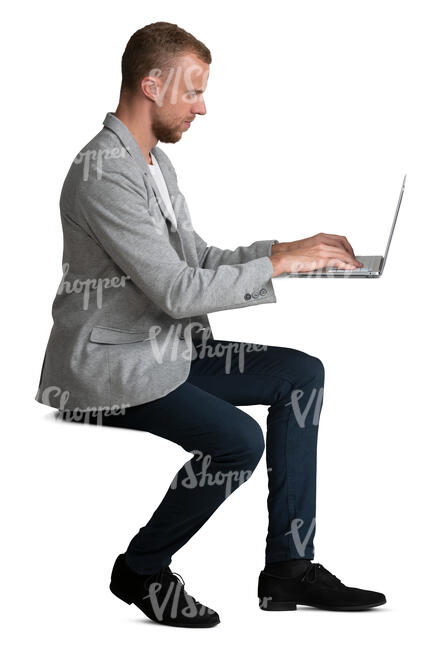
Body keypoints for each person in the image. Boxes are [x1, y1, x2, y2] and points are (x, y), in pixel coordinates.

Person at [35, 21, 386, 628]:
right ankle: (142, 568)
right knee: (236, 441)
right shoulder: (103, 172)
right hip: (109, 367)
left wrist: (292, 247)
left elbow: (193, 261)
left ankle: (288, 569)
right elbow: (176, 291)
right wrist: (279, 262)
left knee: (301, 375)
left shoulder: (151, 163)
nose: (204, 106)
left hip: (164, 348)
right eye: (193, 91)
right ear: (152, 84)